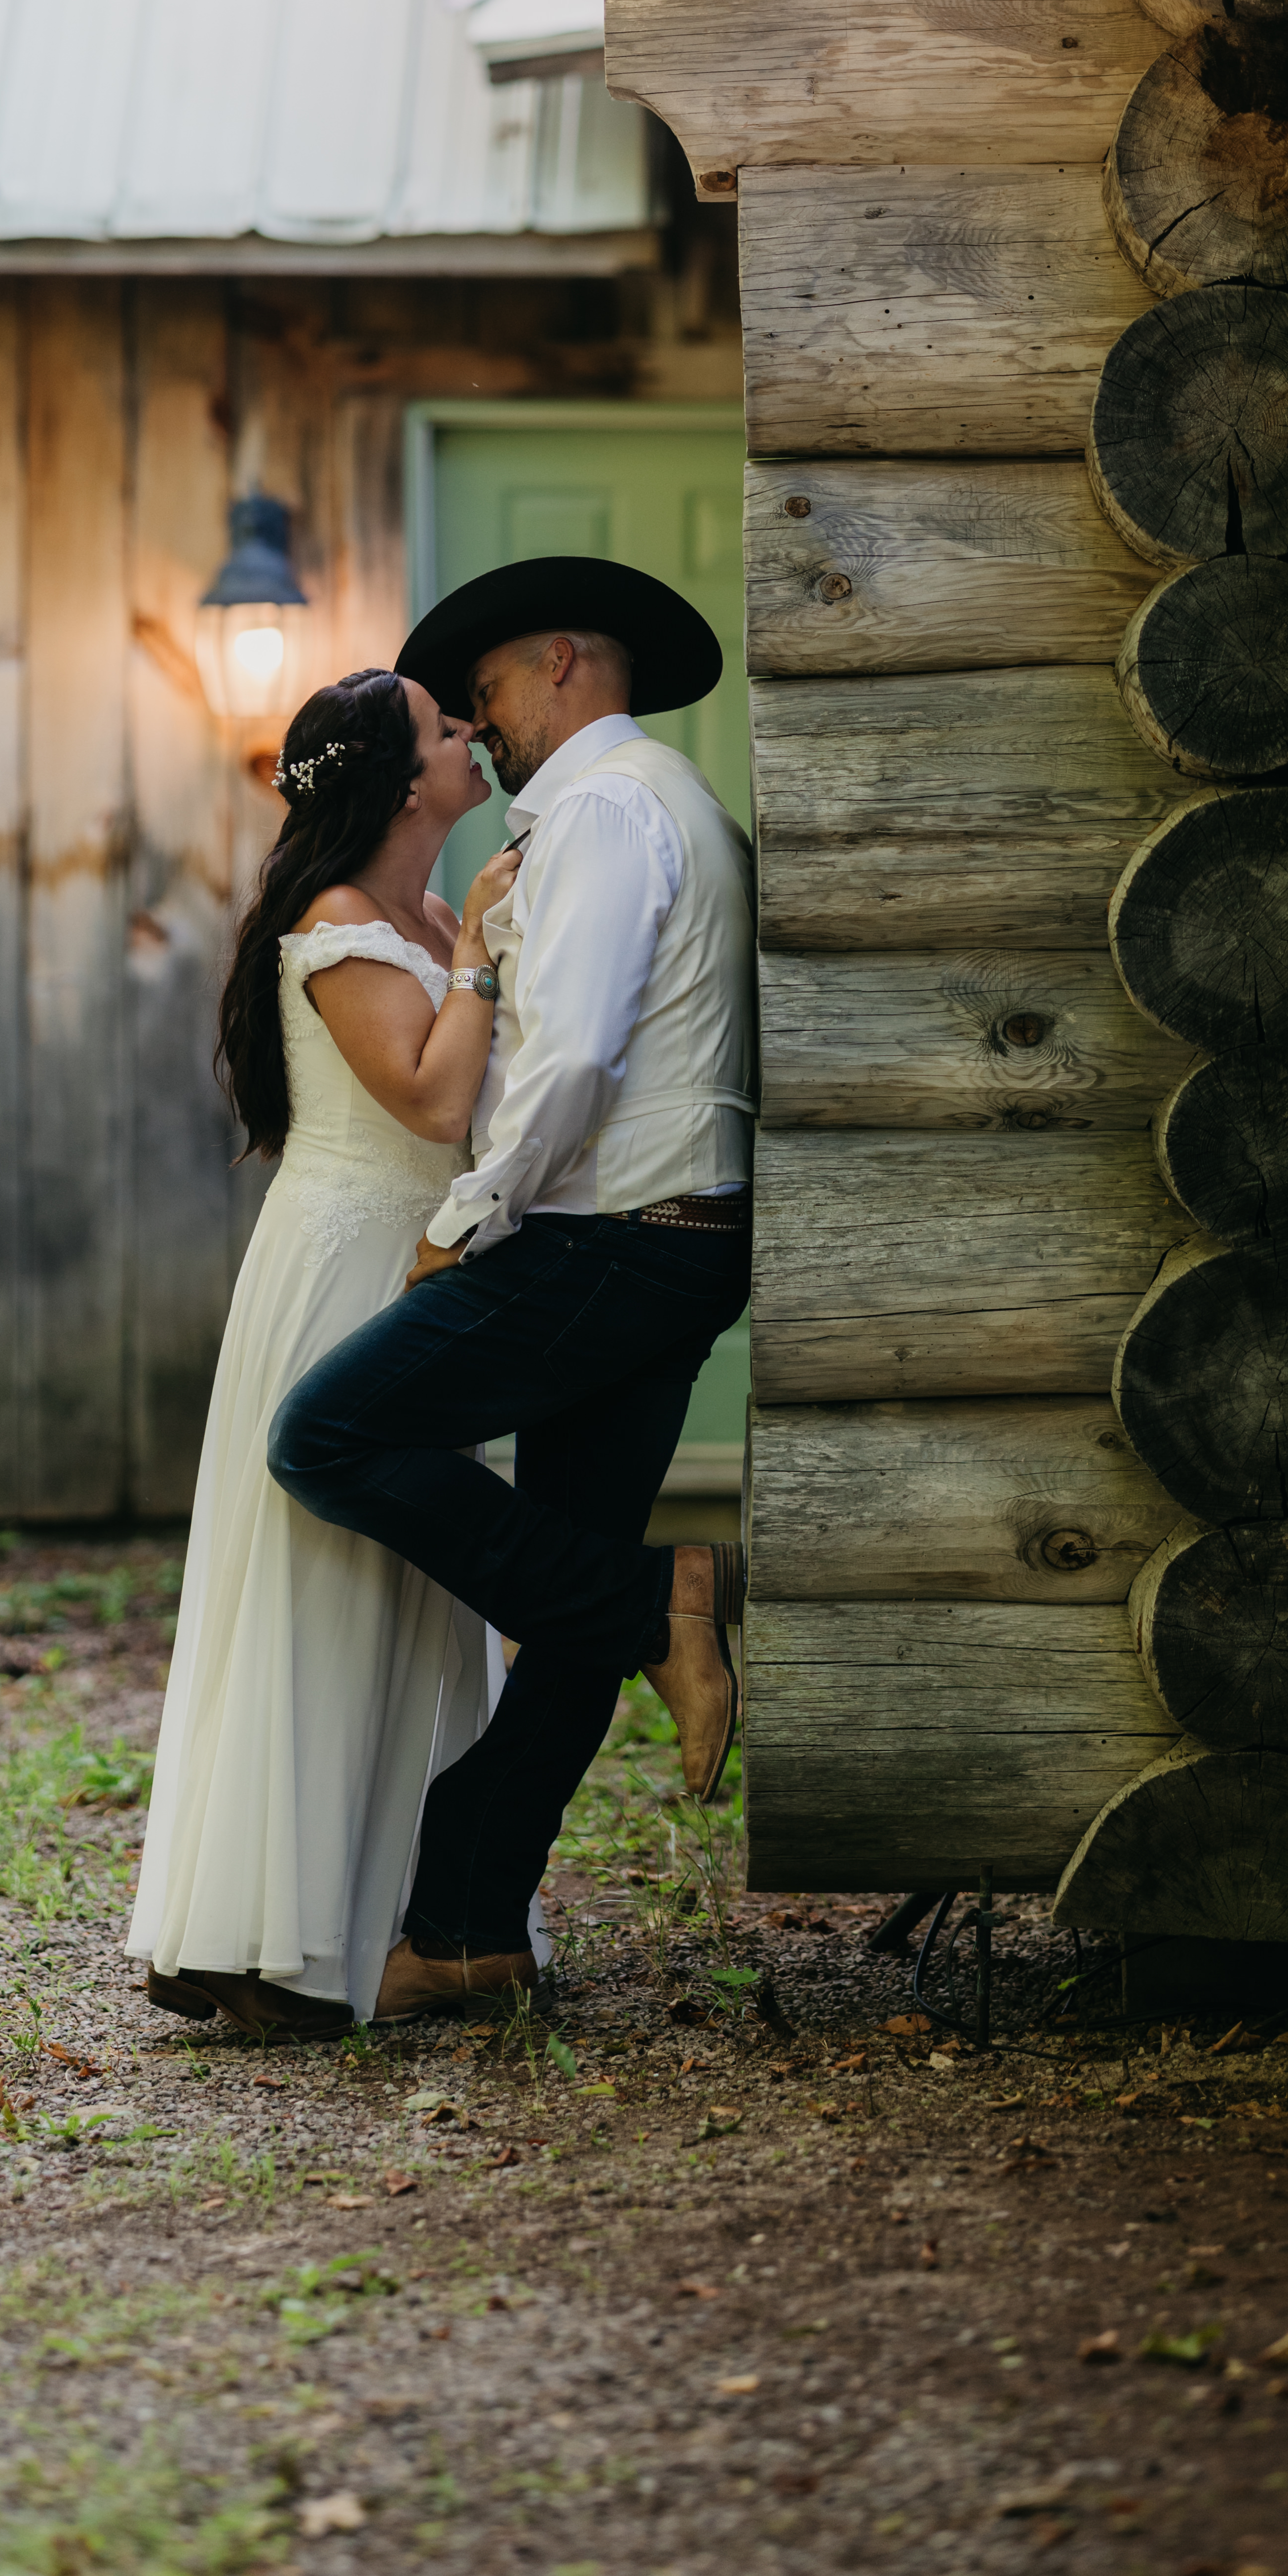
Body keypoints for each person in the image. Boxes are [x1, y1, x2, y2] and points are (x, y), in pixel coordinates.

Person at [266, 554, 756, 2025]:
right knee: (565, 1579)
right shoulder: (660, 800)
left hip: (610, 1236)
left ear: (561, 662)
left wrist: (467, 1222)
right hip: (674, 1237)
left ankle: (656, 1603)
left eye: (485, 693)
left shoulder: (605, 811)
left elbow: (577, 1056)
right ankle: (467, 1931)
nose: (477, 728)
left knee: (328, 1435)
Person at [126, 667, 521, 2038]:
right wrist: (483, 954)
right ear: (403, 783)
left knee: (408, 1585)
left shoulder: (426, 917)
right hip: (343, 1273)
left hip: (425, 1267)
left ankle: (391, 1922)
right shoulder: (343, 920)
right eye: (443, 726)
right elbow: (431, 1099)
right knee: (321, 1584)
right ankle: (264, 1935)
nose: (470, 733)